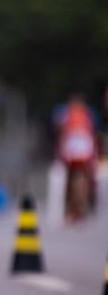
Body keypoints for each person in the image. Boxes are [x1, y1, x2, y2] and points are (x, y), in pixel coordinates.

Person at [54, 94, 98, 222]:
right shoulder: (87, 114)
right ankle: (81, 207)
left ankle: (75, 209)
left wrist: (60, 150)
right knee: (82, 177)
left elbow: (63, 131)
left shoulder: (67, 114)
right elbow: (92, 132)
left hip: (74, 144)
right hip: (84, 145)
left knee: (73, 177)